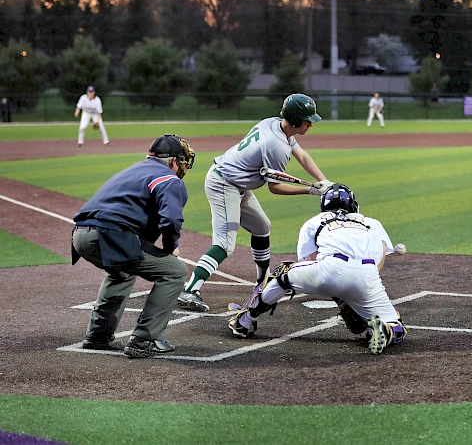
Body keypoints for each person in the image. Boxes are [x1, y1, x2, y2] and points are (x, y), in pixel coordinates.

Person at [177, 93, 334, 313]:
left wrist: (323, 181)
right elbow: (275, 187)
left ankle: (263, 281)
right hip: (223, 183)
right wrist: (309, 190)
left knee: (262, 227)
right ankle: (190, 289)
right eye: (307, 120)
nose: (310, 124)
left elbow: (302, 155)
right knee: (224, 244)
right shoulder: (275, 146)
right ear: (296, 120)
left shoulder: (274, 124)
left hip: (238, 184)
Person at [227, 183, 407, 355]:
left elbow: (307, 261)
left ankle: (244, 321)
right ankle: (387, 330)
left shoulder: (316, 221)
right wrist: (353, 298)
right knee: (397, 325)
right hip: (368, 275)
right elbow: (379, 260)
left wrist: (337, 292)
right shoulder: (372, 223)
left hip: (330, 269)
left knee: (283, 273)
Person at [71, 134, 195, 358]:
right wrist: (170, 247)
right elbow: (171, 220)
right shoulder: (169, 179)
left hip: (80, 236)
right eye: (181, 161)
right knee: (175, 272)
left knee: (121, 272)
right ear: (174, 162)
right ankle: (144, 339)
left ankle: (98, 336)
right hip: (110, 235)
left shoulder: (133, 170)